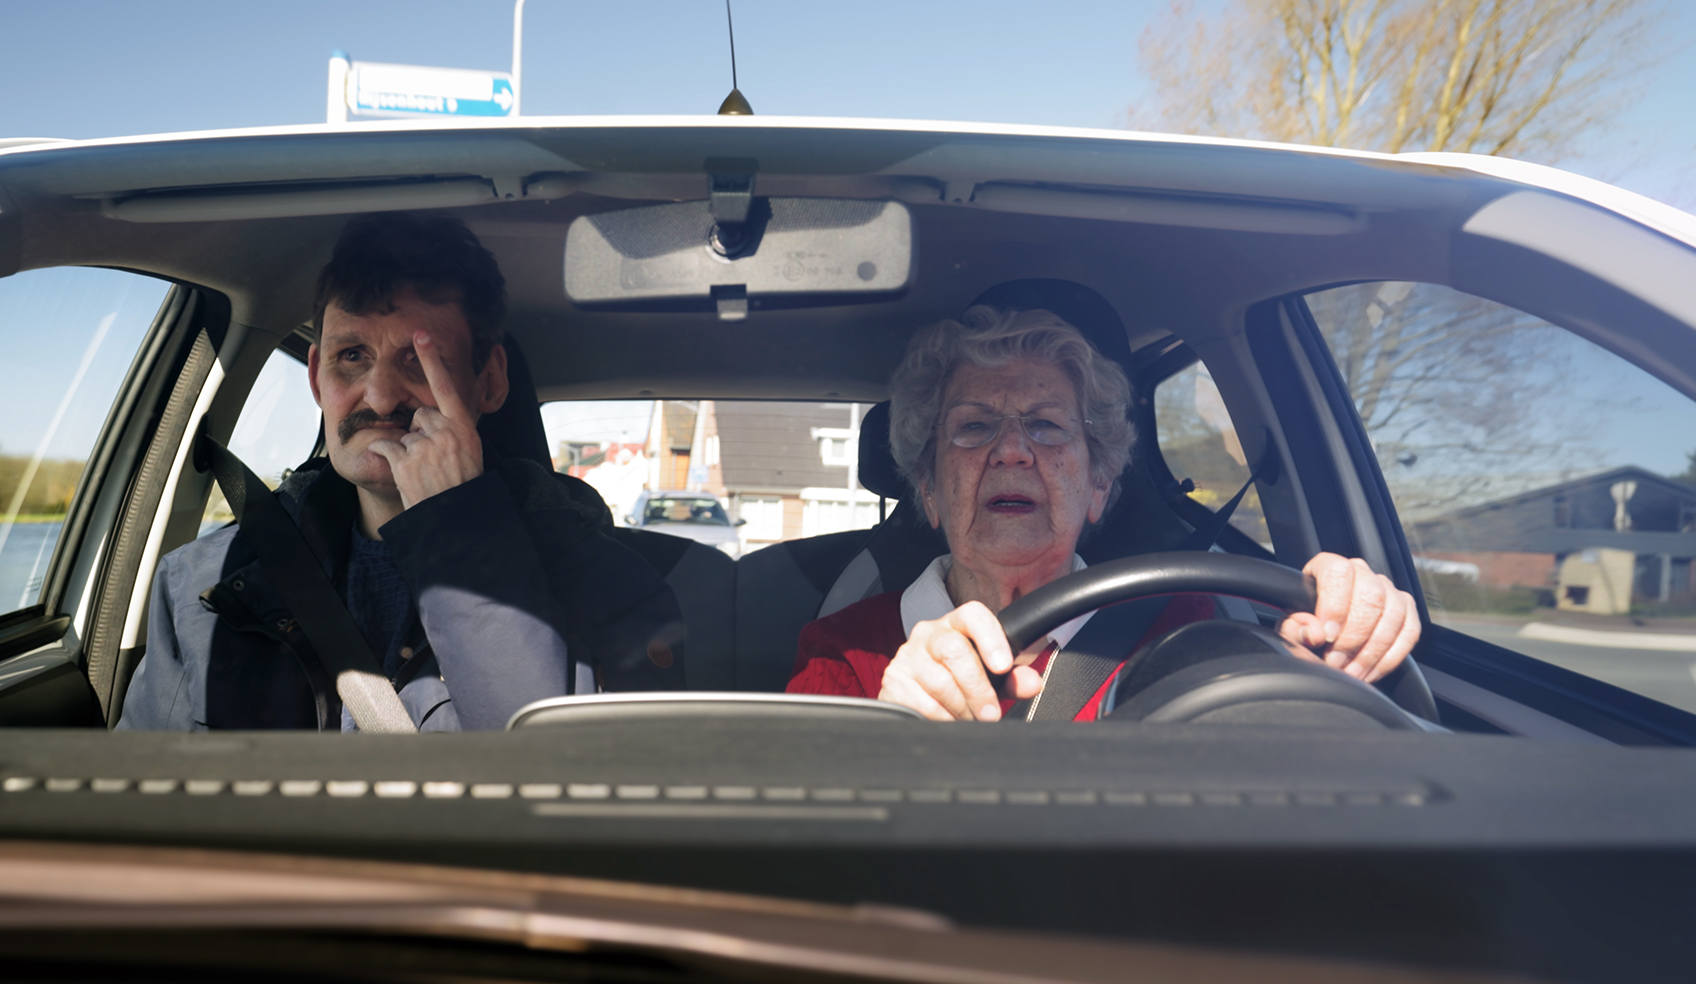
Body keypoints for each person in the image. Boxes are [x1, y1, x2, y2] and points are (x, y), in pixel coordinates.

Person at [120, 213, 682, 732]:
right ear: (317, 378)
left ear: (488, 382)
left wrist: (458, 527)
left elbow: (566, 790)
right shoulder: (201, 585)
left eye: (418, 359)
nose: (382, 397)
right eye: (352, 356)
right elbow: (133, 804)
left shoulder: (612, 586)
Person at [786, 306, 1420, 721]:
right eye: (974, 427)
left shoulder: (1180, 627)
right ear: (927, 488)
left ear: (1097, 485)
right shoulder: (844, 649)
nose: (1011, 450)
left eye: (1046, 426)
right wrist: (885, 735)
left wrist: (1342, 640)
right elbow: (789, 857)